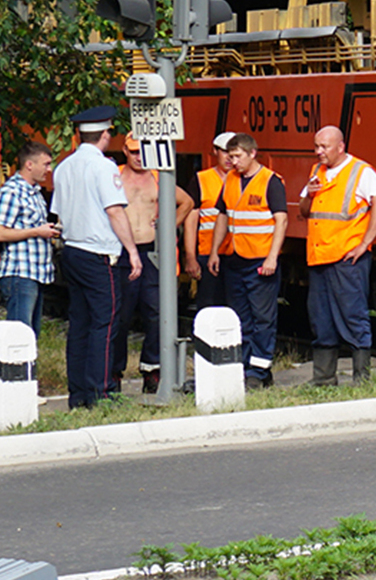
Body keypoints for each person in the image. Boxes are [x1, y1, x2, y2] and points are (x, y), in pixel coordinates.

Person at [51, 107, 141, 408]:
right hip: (99, 255)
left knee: (79, 323)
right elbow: (114, 211)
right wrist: (132, 251)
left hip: (72, 251)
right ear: (105, 134)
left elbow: (59, 213)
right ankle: (101, 392)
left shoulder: (63, 167)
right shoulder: (104, 168)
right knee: (105, 323)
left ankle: (78, 394)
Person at [299, 126, 376, 385]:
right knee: (321, 319)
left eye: (324, 147)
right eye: (316, 146)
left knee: (353, 316)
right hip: (319, 257)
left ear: (340, 146)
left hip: (346, 259)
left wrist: (365, 244)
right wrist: (309, 193)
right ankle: (324, 378)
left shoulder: (362, 172)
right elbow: (305, 210)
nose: (319, 152)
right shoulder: (317, 172)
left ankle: (362, 378)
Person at [114, 136, 196, 394]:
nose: (139, 157)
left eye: (143, 152)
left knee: (156, 313)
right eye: (135, 152)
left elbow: (187, 202)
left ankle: (152, 370)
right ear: (125, 150)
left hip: (152, 252)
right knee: (120, 315)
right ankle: (114, 372)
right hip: (122, 252)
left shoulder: (159, 177)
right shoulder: (114, 176)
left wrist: (167, 226)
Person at [207, 133, 286, 388]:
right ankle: (245, 366)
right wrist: (215, 251)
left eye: (238, 156)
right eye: (230, 157)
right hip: (235, 259)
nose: (233, 162)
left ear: (253, 153)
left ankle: (259, 372)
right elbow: (223, 216)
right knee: (241, 318)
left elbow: (281, 220)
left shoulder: (270, 181)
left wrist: (273, 256)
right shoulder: (231, 179)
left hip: (260, 260)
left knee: (262, 318)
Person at [0, 141, 59, 334]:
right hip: (20, 273)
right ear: (29, 165)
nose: (49, 170)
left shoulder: (35, 193)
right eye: (46, 164)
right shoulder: (12, 192)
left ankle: (28, 366)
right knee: (19, 336)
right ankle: (13, 366)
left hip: (36, 273)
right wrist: (36, 232)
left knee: (31, 334)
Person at [183, 132, 237, 312]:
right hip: (208, 255)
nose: (229, 157)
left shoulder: (244, 181)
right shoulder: (201, 180)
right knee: (210, 308)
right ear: (215, 151)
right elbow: (191, 221)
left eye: (234, 152)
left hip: (237, 255)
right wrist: (190, 257)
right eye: (224, 151)